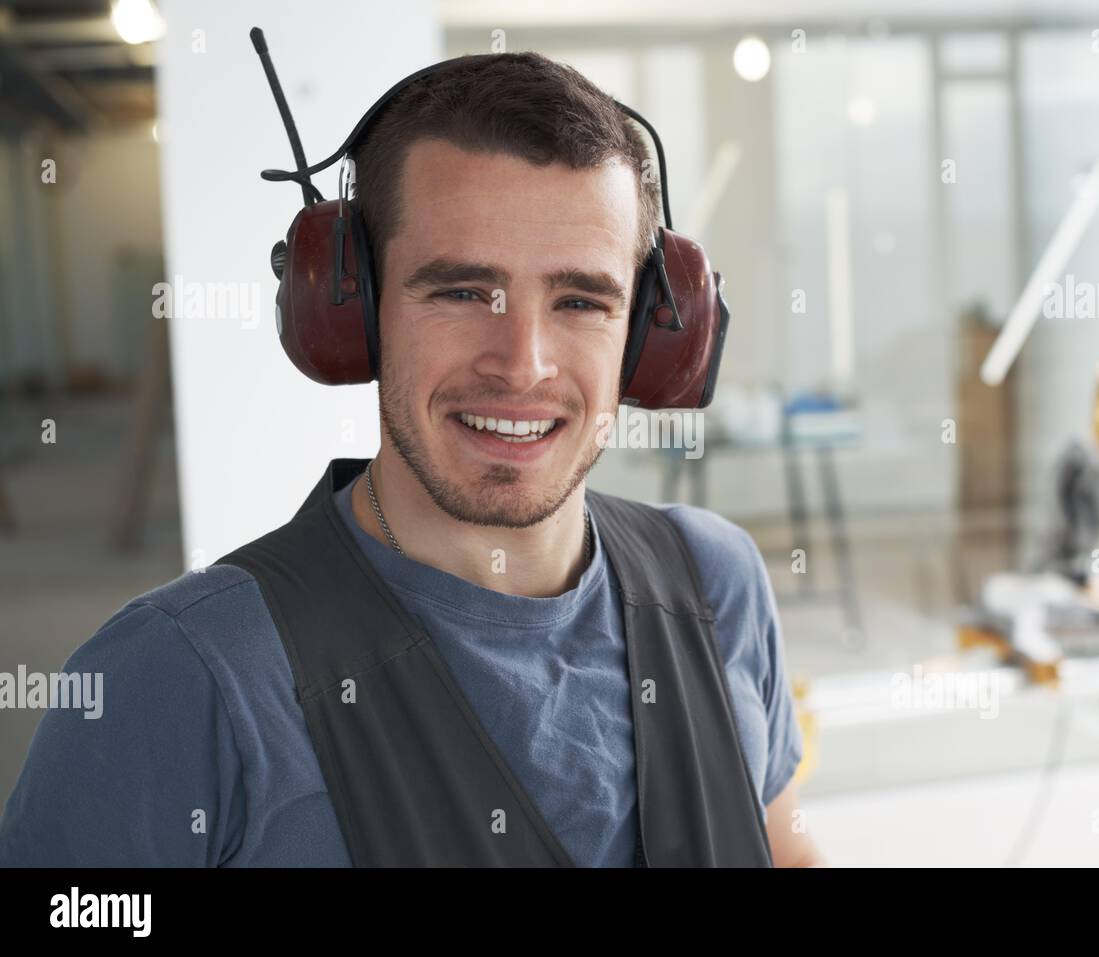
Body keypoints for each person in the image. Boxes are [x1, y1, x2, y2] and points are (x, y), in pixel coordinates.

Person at [0, 50, 825, 868]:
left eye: (580, 299)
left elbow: (784, 848)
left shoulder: (717, 584)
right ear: (352, 312)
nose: (523, 362)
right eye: (461, 292)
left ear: (650, 338)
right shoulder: (177, 678)